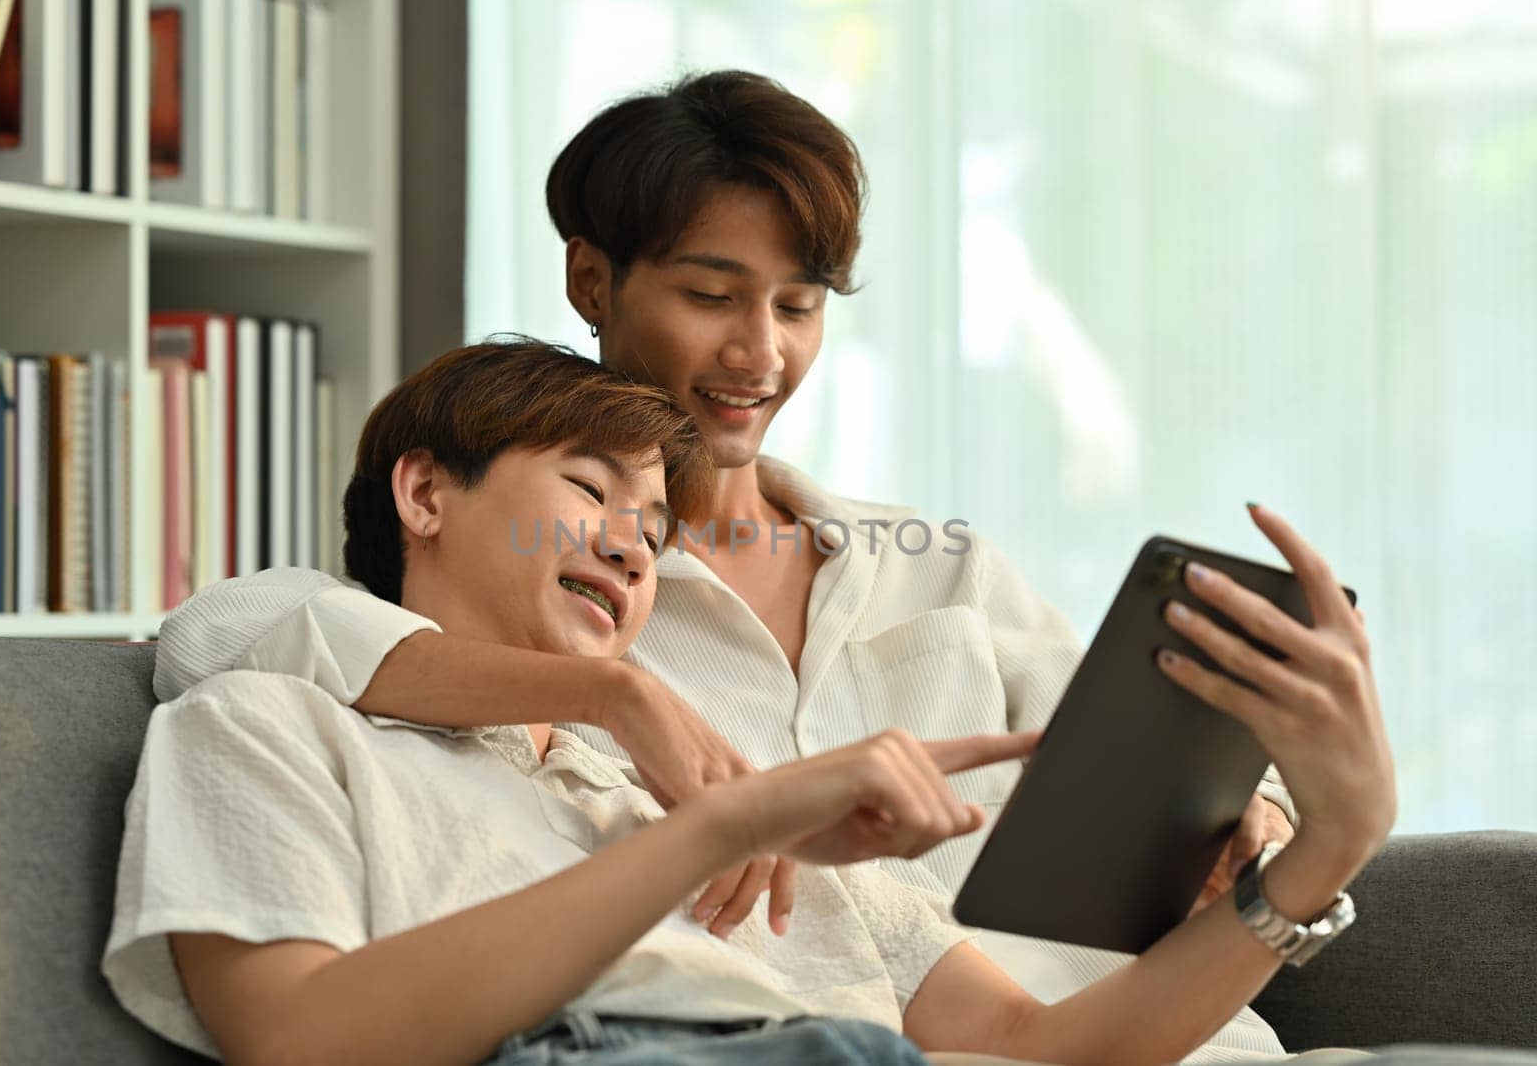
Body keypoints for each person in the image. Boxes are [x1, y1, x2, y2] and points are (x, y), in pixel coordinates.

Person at [155, 71, 1302, 1055]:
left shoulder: (939, 565)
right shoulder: (516, 630)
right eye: (711, 296)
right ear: (594, 283)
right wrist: (622, 692)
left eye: (798, 306)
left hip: (1145, 1026)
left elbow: (1156, 768)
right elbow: (233, 634)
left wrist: (1258, 824)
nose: (760, 352)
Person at [105, 340, 1399, 1066]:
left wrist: (1327, 847)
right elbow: (299, 1038)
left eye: (653, 521)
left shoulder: (733, 810)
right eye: (588, 486)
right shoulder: (268, 717)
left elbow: (1048, 1048)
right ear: (426, 493)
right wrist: (718, 818)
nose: (631, 544)